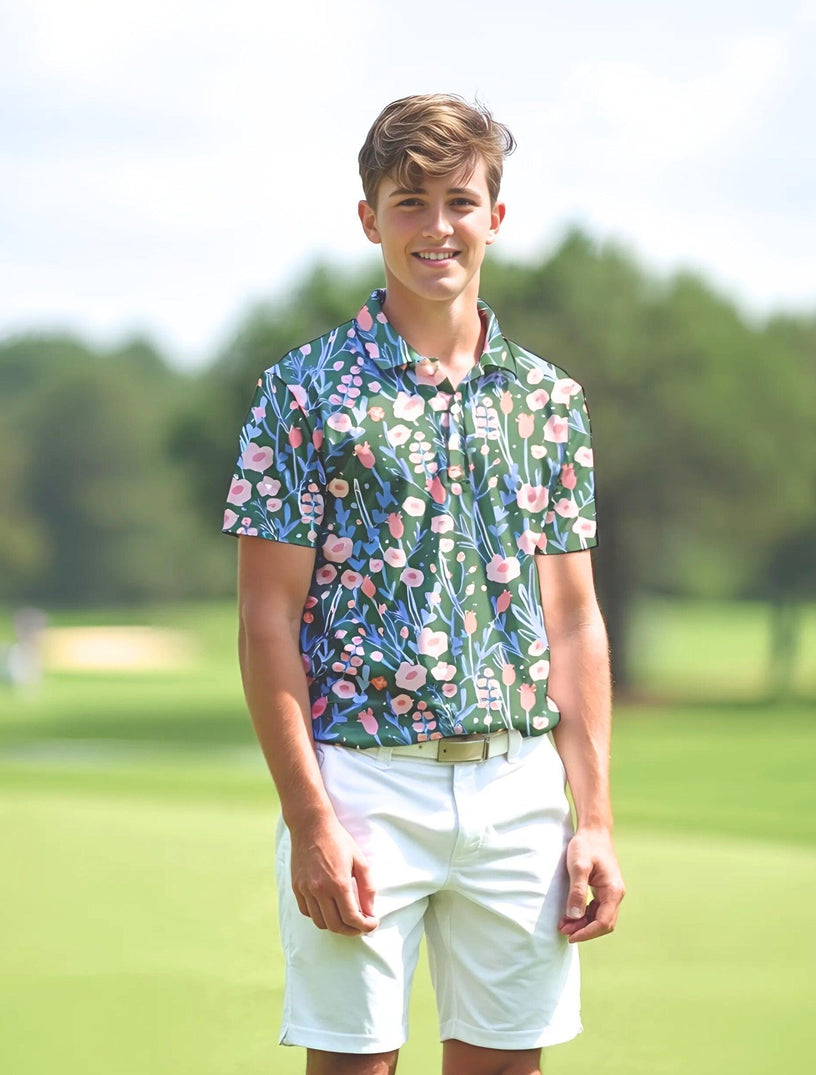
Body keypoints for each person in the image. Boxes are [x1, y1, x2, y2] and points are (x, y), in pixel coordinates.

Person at [222, 93, 625, 1075]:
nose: (435, 226)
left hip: (518, 792)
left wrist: (596, 820)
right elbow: (266, 621)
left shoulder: (547, 400)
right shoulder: (301, 394)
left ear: (494, 215)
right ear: (368, 219)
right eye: (408, 202)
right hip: (360, 786)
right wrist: (310, 821)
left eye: (457, 200)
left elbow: (570, 620)